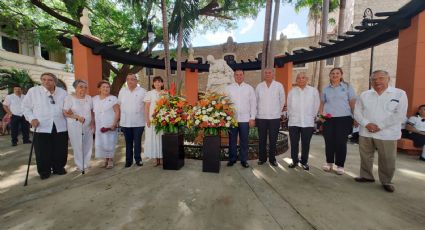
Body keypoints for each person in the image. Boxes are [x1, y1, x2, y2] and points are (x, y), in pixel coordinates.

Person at [354, 70, 408, 193]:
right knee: (366, 156)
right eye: (374, 79)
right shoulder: (365, 94)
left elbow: (400, 114)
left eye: (381, 78)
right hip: (366, 131)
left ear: (388, 79)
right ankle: (366, 176)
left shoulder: (399, 94)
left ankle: (386, 181)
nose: (377, 81)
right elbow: (357, 111)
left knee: (387, 159)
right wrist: (366, 124)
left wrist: (380, 126)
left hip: (387, 133)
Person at [22, 73, 68, 180]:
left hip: (60, 124)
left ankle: (59, 167)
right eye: (44, 79)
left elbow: (68, 107)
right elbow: (25, 107)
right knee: (42, 150)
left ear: (55, 82)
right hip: (41, 125)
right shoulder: (33, 91)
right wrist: (31, 118)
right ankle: (44, 171)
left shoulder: (62, 92)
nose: (46, 82)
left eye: (50, 80)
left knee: (60, 148)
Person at [319, 67, 356, 175]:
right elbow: (322, 103)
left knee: (341, 142)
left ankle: (340, 165)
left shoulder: (348, 87)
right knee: (329, 141)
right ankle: (329, 162)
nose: (335, 75)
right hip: (328, 119)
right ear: (330, 76)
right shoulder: (326, 89)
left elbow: (352, 102)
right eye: (333, 73)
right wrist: (321, 117)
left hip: (344, 118)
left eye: (337, 73)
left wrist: (355, 116)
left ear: (341, 75)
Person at [287, 73, 320, 170]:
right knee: (294, 143)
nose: (301, 79)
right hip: (294, 122)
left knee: (306, 143)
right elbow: (289, 106)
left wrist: (311, 116)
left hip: (307, 122)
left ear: (307, 79)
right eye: (298, 78)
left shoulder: (313, 91)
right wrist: (291, 116)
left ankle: (304, 162)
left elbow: (316, 105)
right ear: (296, 80)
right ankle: (294, 161)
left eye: (303, 77)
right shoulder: (292, 92)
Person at [226, 70, 256, 168]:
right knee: (232, 140)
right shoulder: (229, 88)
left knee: (244, 140)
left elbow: (253, 104)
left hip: (245, 119)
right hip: (232, 119)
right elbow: (225, 103)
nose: (239, 76)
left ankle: (244, 160)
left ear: (244, 75)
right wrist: (227, 117)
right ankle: (232, 159)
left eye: (240, 75)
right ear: (234, 76)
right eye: (237, 75)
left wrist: (252, 118)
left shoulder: (249, 88)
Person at [255, 68, 285, 166]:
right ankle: (262, 159)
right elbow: (255, 101)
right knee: (262, 140)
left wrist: (277, 112)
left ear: (273, 74)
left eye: (269, 72)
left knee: (273, 139)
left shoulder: (278, 85)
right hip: (261, 117)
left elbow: (282, 100)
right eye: (266, 73)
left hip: (274, 118)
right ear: (264, 75)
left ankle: (272, 159)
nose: (267, 74)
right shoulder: (259, 86)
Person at [63, 80, 94, 172]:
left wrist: (92, 122)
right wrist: (76, 116)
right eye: (81, 87)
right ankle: (80, 165)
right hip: (75, 126)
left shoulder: (89, 98)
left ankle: (87, 163)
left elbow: (91, 111)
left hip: (87, 125)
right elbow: (65, 113)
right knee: (78, 145)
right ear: (76, 88)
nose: (83, 89)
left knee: (88, 144)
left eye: (85, 87)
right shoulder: (69, 98)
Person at [118, 74, 147, 167]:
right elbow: (119, 105)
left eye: (132, 79)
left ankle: (138, 159)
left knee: (137, 142)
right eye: (128, 79)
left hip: (139, 122)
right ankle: (128, 161)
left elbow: (147, 106)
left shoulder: (143, 91)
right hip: (125, 122)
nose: (130, 81)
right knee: (128, 142)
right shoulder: (122, 91)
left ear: (136, 81)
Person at [93, 80, 120, 169]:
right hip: (99, 125)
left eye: (107, 87)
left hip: (109, 124)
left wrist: (114, 123)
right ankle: (105, 160)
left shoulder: (113, 98)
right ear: (99, 89)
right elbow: (92, 112)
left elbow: (117, 112)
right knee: (102, 143)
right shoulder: (95, 99)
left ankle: (110, 160)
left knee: (110, 142)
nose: (106, 89)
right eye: (103, 87)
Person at [144, 76, 165, 166]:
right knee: (154, 138)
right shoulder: (149, 93)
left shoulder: (165, 93)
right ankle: (156, 159)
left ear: (162, 83)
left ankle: (164, 157)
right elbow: (147, 107)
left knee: (162, 138)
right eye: (155, 82)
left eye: (159, 82)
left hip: (163, 119)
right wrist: (147, 119)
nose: (157, 83)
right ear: (153, 83)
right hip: (152, 120)